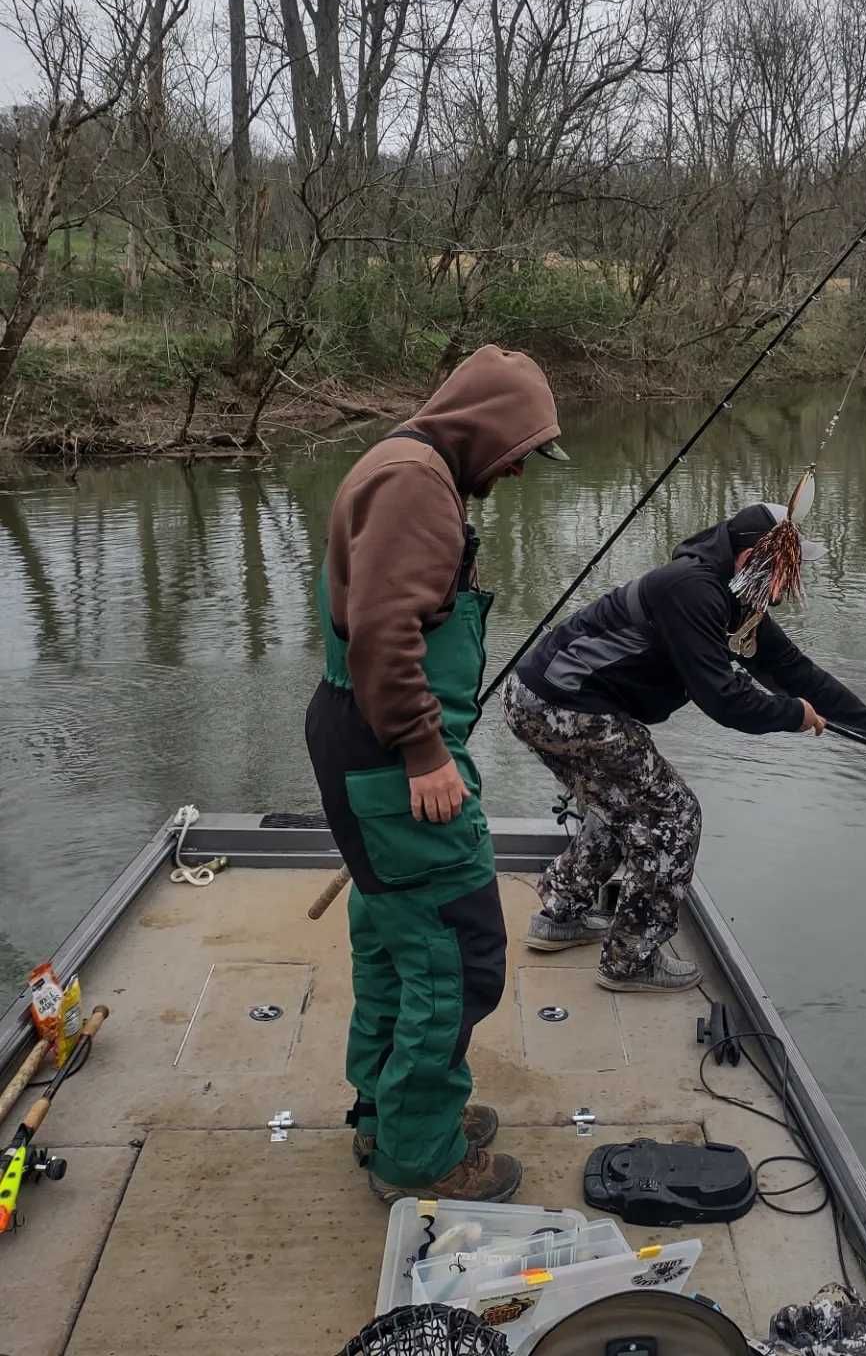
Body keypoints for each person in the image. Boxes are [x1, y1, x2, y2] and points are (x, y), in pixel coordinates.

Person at [305, 345, 567, 1206]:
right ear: (487, 425)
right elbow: (384, 627)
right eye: (520, 448)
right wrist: (425, 750)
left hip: (355, 737)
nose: (521, 468)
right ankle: (419, 1156)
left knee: (392, 941)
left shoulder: (398, 461)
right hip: (392, 756)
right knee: (458, 955)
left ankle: (389, 1115)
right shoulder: (420, 482)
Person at [502, 502, 866, 993]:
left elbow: (796, 671)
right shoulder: (693, 591)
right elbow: (723, 699)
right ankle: (630, 960)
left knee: (619, 802)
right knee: (672, 815)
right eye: (781, 572)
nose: (783, 588)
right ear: (752, 556)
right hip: (564, 704)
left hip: (540, 698)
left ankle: (562, 912)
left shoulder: (731, 600)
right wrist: (791, 714)